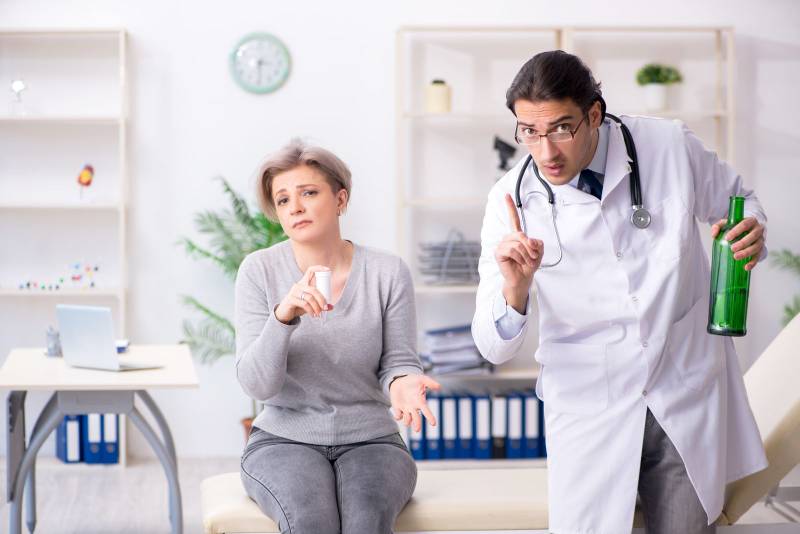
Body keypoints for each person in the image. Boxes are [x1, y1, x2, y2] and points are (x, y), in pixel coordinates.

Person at [471, 50, 768, 534]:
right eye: (529, 132)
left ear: (594, 115)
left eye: (561, 129)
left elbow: (741, 201)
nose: (546, 153)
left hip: (682, 385)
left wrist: (750, 229)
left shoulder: (668, 145)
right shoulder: (510, 200)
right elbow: (492, 346)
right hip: (589, 401)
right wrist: (515, 289)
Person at [235, 139, 440, 534]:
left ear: (340, 199)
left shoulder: (387, 272)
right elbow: (257, 385)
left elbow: (398, 362)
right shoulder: (258, 271)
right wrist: (282, 317)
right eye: (283, 200)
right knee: (312, 522)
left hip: (373, 440)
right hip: (282, 440)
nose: (295, 207)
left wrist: (402, 383)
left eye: (308, 193)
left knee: (366, 522)